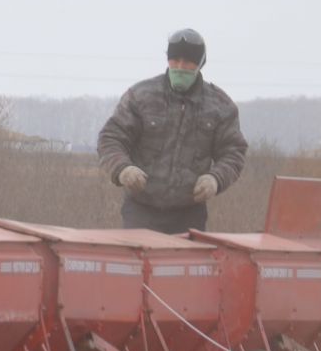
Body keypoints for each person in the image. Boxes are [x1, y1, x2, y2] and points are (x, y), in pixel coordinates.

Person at [97, 28, 249, 234]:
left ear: (200, 64)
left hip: (189, 214)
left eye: (188, 62)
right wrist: (122, 168)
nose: (180, 67)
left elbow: (234, 153)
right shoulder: (141, 96)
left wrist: (216, 178)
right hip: (141, 210)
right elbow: (111, 138)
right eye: (175, 60)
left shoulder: (220, 106)